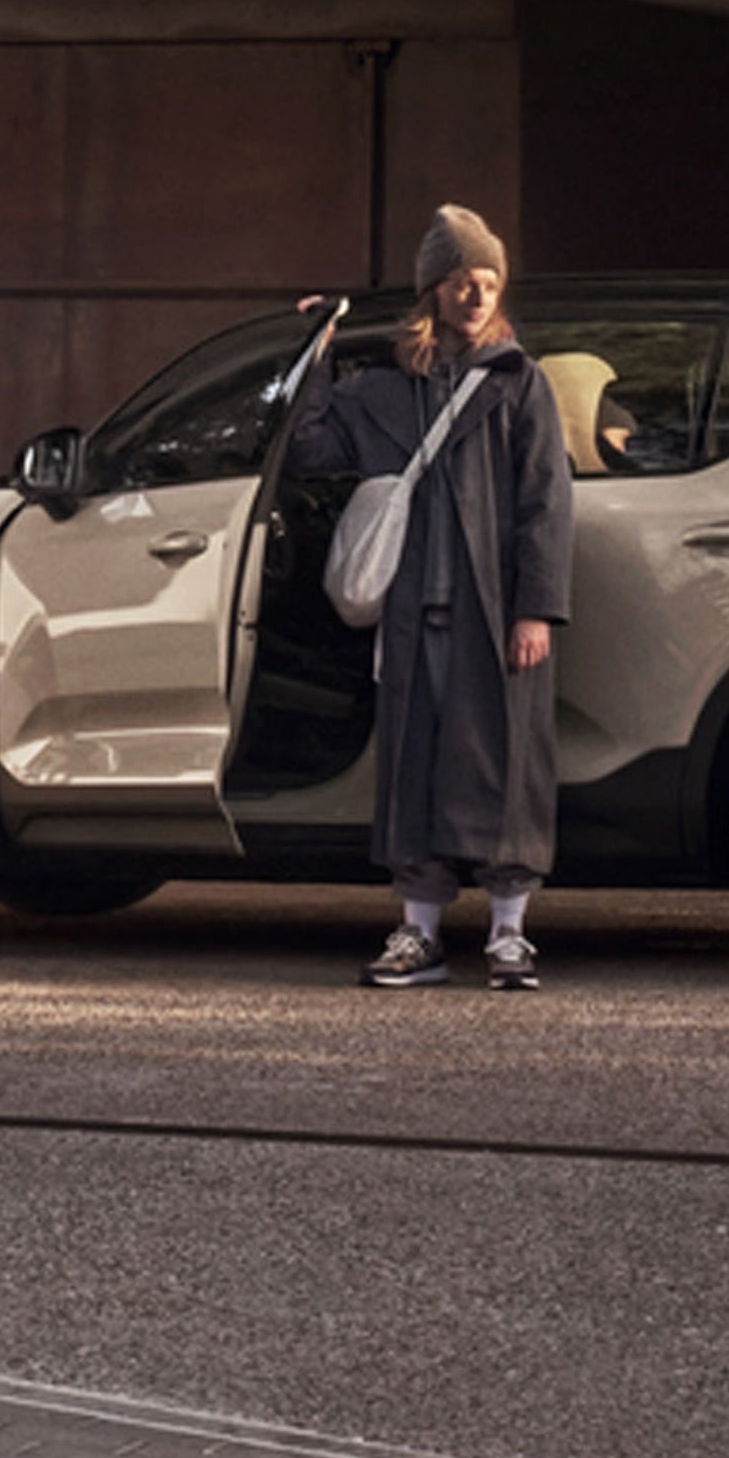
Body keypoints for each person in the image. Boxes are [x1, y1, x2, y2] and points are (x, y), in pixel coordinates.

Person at [289, 206, 576, 990]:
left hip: (498, 613)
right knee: (413, 765)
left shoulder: (519, 383)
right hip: (414, 611)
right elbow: (311, 446)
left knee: (505, 764)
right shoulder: (383, 391)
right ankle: (419, 933)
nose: (476, 296)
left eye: (488, 282)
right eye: (460, 281)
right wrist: (316, 349)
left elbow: (546, 504)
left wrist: (537, 608)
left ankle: (510, 932)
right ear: (432, 292)